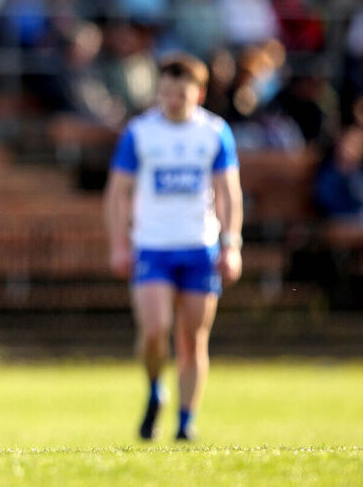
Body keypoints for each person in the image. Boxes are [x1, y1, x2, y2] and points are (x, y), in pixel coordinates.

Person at [103, 54, 244, 441]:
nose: (171, 100)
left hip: (199, 246)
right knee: (155, 330)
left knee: (192, 337)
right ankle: (154, 391)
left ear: (197, 94)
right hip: (153, 246)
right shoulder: (140, 132)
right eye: (165, 92)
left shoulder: (214, 132)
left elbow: (229, 192)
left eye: (180, 94)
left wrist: (231, 245)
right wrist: (119, 243)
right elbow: (118, 192)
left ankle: (185, 423)